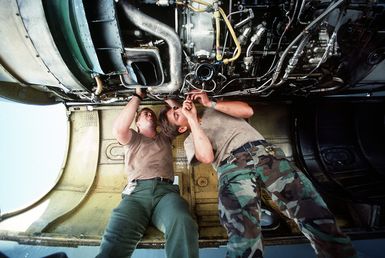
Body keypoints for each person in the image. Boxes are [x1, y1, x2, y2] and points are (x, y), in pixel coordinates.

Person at [159, 90, 357, 258]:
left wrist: (209, 102)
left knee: (311, 209)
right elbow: (207, 157)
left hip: (266, 154)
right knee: (243, 232)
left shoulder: (213, 110)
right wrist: (193, 120)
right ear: (182, 128)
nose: (178, 110)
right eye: (176, 115)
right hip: (233, 167)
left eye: (176, 108)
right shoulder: (189, 139)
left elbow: (247, 110)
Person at [96, 88, 199, 258]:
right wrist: (138, 96)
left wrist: (168, 98)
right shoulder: (132, 139)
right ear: (137, 124)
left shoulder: (165, 137)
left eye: (151, 113)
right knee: (117, 234)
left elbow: (182, 118)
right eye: (144, 114)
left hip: (165, 194)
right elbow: (119, 129)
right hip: (136, 196)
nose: (149, 114)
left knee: (183, 221)